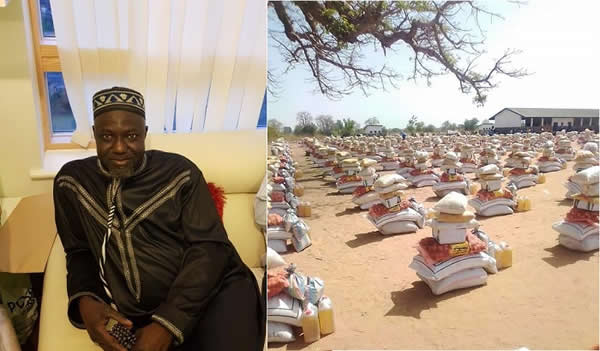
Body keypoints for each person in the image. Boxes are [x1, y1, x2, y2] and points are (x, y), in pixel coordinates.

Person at [53, 87, 265, 351]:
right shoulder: (72, 183)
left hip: (215, 292)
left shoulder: (180, 174)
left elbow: (210, 249)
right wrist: (85, 299)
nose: (119, 148)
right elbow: (78, 250)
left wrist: (168, 322)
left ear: (144, 134)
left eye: (131, 136)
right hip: (140, 314)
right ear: (95, 134)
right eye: (107, 137)